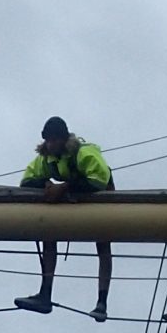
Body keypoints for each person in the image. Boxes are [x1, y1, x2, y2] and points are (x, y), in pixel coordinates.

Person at [15, 116, 112, 321]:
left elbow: (98, 181)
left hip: (99, 196)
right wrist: (46, 185)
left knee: (102, 242)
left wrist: (64, 187)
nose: (50, 144)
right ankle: (45, 294)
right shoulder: (47, 158)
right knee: (48, 234)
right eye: (48, 140)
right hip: (72, 195)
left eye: (54, 140)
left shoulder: (84, 153)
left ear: (64, 139)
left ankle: (102, 302)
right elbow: (26, 181)